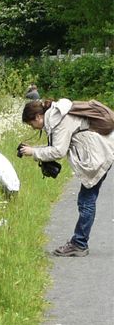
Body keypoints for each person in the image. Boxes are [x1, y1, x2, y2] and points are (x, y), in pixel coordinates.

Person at [20, 98, 114, 256]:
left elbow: (58, 151)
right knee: (86, 199)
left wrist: (34, 152)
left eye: (31, 124)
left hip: (99, 155)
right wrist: (34, 149)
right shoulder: (57, 114)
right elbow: (59, 146)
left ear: (37, 117)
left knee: (86, 201)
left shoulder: (59, 119)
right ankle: (79, 242)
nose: (33, 128)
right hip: (100, 151)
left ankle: (79, 243)